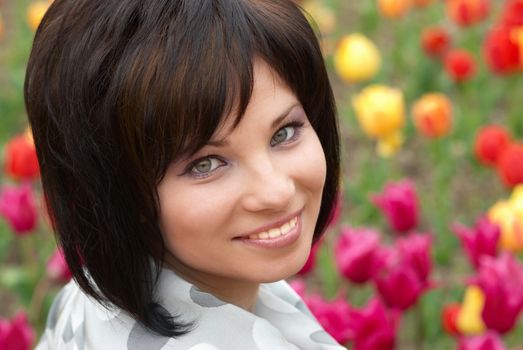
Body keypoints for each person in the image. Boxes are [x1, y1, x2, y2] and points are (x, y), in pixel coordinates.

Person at [25, 0, 344, 348]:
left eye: (284, 133)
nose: (276, 191)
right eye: (205, 164)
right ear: (115, 188)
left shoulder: (91, 298)